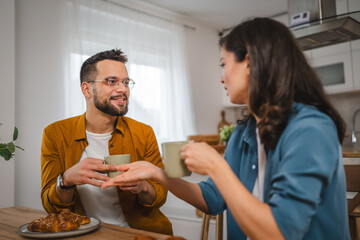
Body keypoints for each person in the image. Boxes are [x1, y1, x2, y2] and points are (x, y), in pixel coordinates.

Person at [102, 18, 351, 240]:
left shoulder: (310, 128)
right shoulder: (244, 133)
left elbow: (280, 232)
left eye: (223, 64)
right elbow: (212, 199)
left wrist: (215, 165)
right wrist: (158, 174)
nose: (221, 77)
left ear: (251, 63)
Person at [40, 49, 173, 235]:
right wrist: (66, 180)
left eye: (126, 82)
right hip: (84, 235)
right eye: (112, 82)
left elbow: (159, 196)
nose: (122, 89)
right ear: (87, 89)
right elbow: (50, 206)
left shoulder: (144, 133)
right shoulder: (55, 134)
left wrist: (142, 186)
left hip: (139, 235)